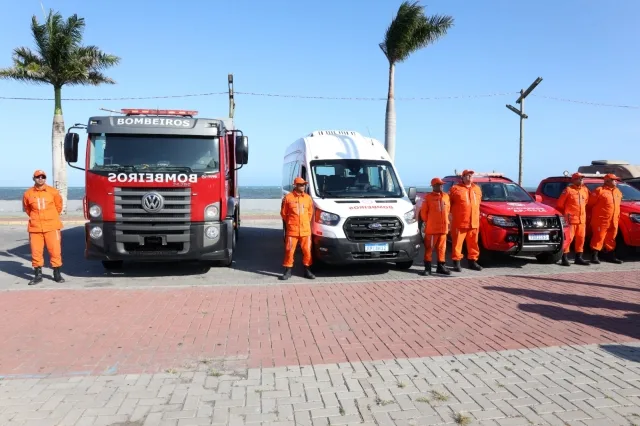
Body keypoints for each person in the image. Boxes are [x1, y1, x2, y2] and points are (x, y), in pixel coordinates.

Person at [22, 169, 65, 285]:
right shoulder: (28, 194)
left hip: (52, 226)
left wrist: (50, 217)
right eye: (38, 177)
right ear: (34, 179)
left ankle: (57, 273)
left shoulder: (53, 192)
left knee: (55, 251)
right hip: (35, 227)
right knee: (36, 252)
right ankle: (38, 275)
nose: (40, 178)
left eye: (43, 177)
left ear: (45, 179)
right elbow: (27, 209)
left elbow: (59, 207)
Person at [280, 176, 315, 280]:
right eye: (301, 185)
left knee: (307, 251)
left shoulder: (308, 198)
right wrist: (291, 223)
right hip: (292, 231)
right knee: (289, 251)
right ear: (295, 185)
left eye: (304, 184)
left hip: (305, 231)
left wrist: (304, 223)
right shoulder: (288, 198)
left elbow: (310, 213)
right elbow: (284, 214)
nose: (303, 186)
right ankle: (288, 271)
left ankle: (307, 270)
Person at [448, 170, 483, 271]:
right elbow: (448, 204)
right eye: (467, 175)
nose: (469, 177)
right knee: (457, 244)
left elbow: (478, 204)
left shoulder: (477, 189)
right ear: (462, 177)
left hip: (474, 222)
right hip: (460, 222)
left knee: (473, 244)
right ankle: (456, 263)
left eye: (471, 175)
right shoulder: (455, 189)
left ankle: (472, 262)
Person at [587, 173, 623, 264]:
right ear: (607, 181)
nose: (616, 181)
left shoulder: (617, 191)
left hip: (614, 220)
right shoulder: (599, 190)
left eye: (616, 180)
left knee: (611, 238)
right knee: (598, 237)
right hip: (601, 220)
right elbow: (590, 204)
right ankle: (594, 256)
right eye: (614, 180)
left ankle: (610, 256)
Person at [556, 172, 590, 266]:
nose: (581, 180)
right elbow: (560, 204)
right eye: (579, 178)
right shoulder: (568, 190)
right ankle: (564, 258)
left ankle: (579, 258)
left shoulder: (585, 190)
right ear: (574, 179)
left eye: (582, 178)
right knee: (569, 239)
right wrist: (568, 213)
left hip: (581, 220)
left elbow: (586, 201)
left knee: (581, 239)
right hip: (571, 219)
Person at [420, 177, 451, 275]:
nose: (441, 186)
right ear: (433, 186)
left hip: (443, 228)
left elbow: (448, 210)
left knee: (442, 248)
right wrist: (429, 222)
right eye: (439, 184)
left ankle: (441, 267)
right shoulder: (428, 198)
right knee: (429, 249)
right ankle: (427, 268)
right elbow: (423, 213)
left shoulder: (446, 196)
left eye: (442, 184)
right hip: (432, 229)